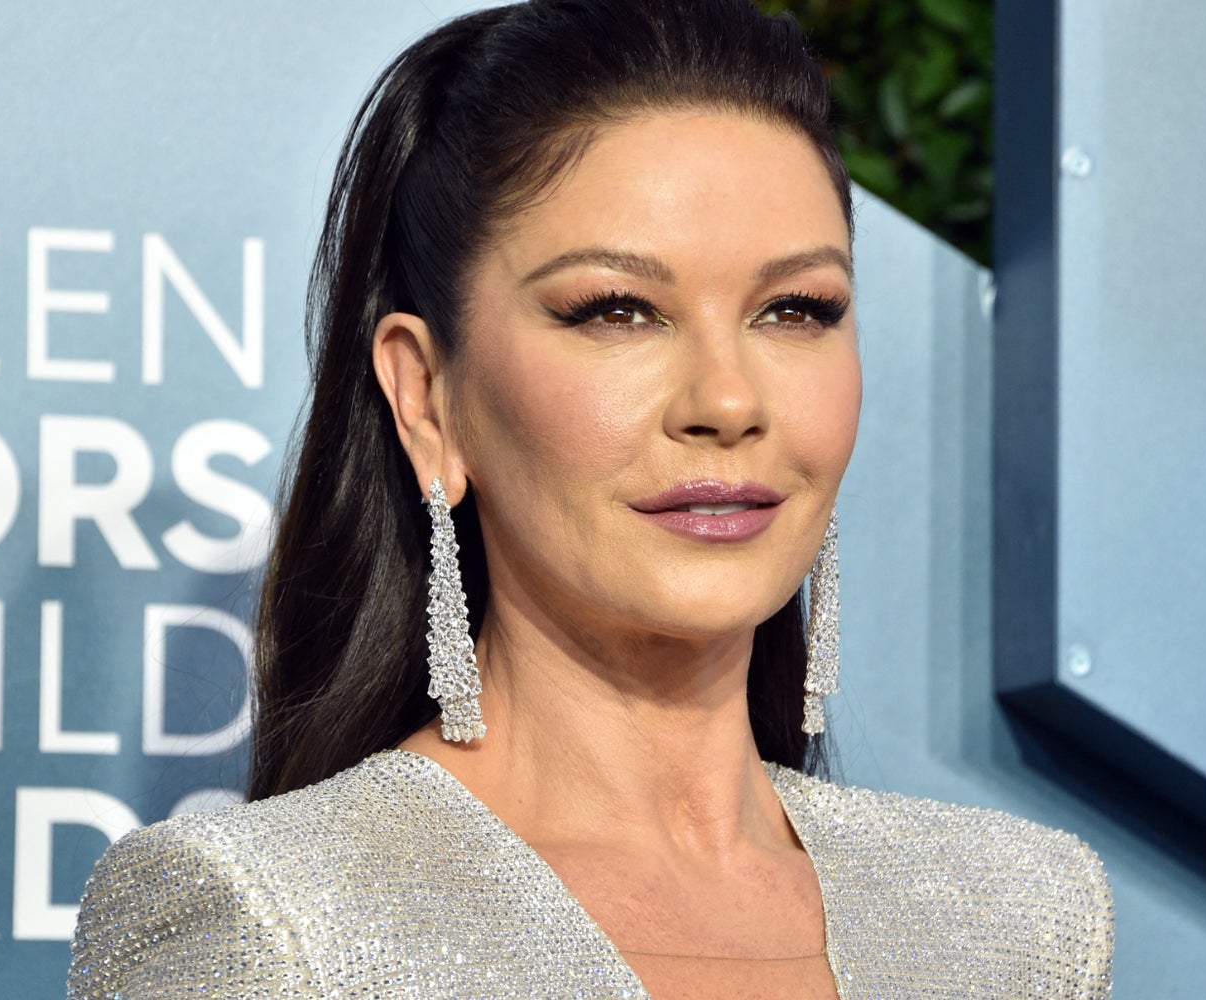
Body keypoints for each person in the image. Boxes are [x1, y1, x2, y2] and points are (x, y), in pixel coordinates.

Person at [67, 0, 1113, 996]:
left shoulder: (1022, 923)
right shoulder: (275, 921)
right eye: (618, 310)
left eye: (795, 309)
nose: (728, 401)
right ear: (426, 396)